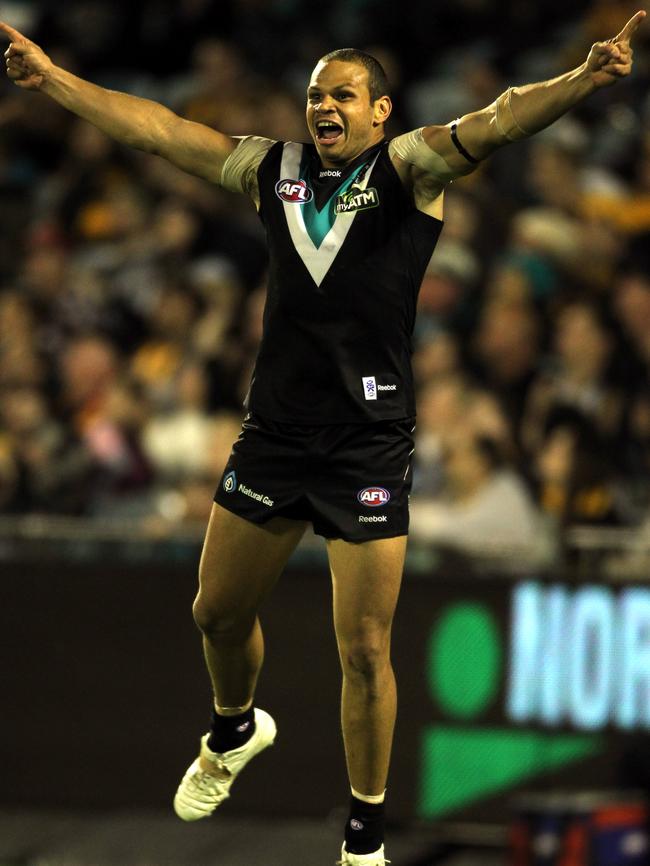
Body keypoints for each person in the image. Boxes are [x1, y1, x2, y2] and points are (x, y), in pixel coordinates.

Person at [1, 12, 645, 865]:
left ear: (382, 110)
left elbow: (501, 116)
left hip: (368, 443)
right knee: (217, 614)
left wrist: (583, 79)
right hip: (274, 435)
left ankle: (364, 841)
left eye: (342, 93)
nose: (323, 105)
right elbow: (156, 129)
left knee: (366, 646)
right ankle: (234, 731)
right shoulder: (273, 170)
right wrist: (53, 80)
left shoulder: (411, 168)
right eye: (314, 94)